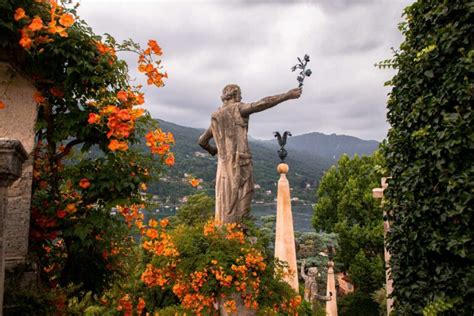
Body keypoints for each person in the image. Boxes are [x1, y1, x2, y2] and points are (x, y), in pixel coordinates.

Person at [198, 84, 302, 223]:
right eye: (240, 94)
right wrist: (287, 95)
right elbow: (261, 104)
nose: (241, 97)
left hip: (223, 167)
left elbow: (202, 141)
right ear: (234, 95)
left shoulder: (216, 117)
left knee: (225, 200)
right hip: (240, 162)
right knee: (244, 195)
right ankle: (238, 230)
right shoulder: (237, 109)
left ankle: (227, 232)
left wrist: (215, 151)